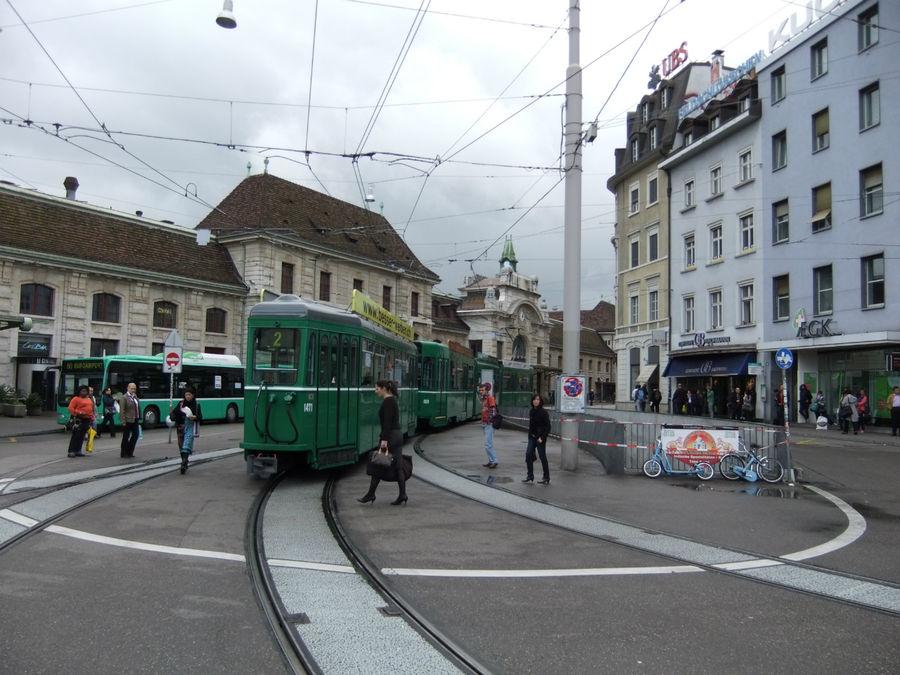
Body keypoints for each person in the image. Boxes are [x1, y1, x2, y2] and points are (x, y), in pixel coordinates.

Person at [358, 379, 407, 505]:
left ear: (384, 388)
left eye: (377, 389)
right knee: (398, 466)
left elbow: (387, 423)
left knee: (378, 464)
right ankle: (402, 494)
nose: (376, 391)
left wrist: (384, 439)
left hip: (390, 436)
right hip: (397, 435)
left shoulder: (388, 402)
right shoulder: (392, 401)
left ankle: (371, 494)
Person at [171, 388, 202, 474]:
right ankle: (184, 460)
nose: (188, 396)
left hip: (190, 427)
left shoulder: (196, 405)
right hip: (180, 427)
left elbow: (200, 417)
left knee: (187, 443)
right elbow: (174, 412)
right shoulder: (181, 404)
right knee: (181, 445)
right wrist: (173, 417)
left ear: (193, 395)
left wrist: (195, 417)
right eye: (186, 395)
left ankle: (184, 463)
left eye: (189, 395)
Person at [523, 393, 551, 485]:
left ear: (540, 401)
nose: (536, 401)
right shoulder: (531, 411)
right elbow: (531, 426)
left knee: (542, 457)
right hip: (532, 437)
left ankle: (546, 477)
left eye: (538, 399)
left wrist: (542, 437)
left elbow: (548, 427)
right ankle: (530, 476)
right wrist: (530, 436)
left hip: (540, 438)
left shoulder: (543, 412)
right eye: (534, 399)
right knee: (528, 454)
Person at [66, 385, 94, 458]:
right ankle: (71, 451)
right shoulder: (76, 399)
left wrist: (92, 418)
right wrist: (79, 412)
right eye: (82, 391)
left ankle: (78, 450)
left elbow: (91, 409)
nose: (84, 392)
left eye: (85, 391)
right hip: (79, 419)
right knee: (76, 435)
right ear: (79, 392)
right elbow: (70, 408)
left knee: (82, 436)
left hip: (87, 419)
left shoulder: (89, 399)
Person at [477, 383, 499, 469]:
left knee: (487, 444)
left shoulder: (490, 398)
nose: (481, 392)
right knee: (489, 444)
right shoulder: (483, 399)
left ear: (486, 390)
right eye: (480, 390)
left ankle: (494, 461)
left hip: (489, 424)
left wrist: (489, 421)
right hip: (485, 424)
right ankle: (491, 460)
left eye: (482, 390)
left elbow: (492, 411)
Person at [119, 382, 141, 458]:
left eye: (134, 389)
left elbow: (138, 407)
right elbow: (122, 410)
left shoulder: (135, 397)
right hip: (127, 420)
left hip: (135, 419)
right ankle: (124, 453)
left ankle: (130, 452)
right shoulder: (124, 397)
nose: (133, 390)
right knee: (126, 437)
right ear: (128, 388)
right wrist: (123, 421)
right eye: (132, 388)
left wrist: (139, 417)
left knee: (135, 435)